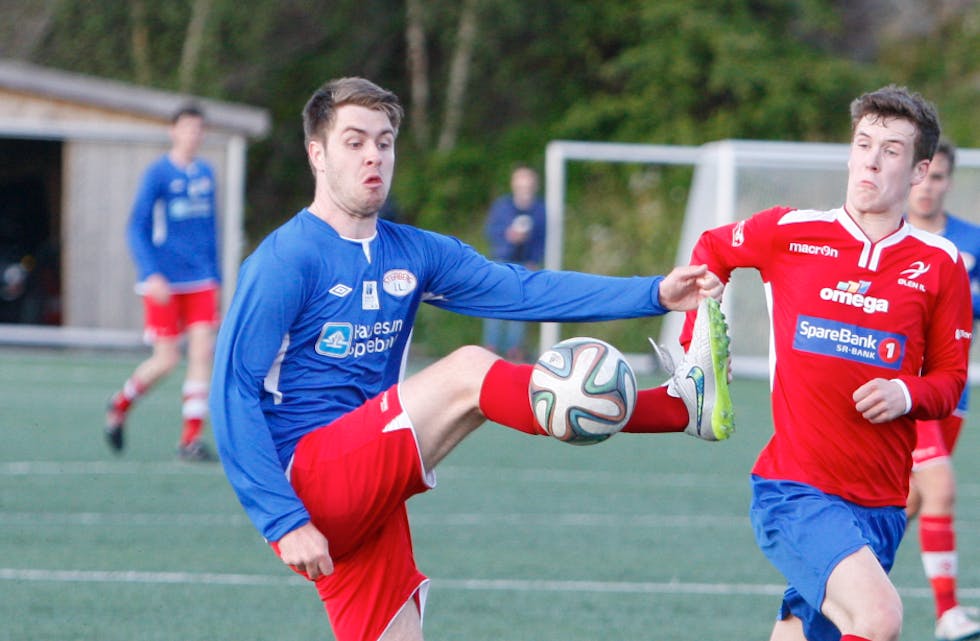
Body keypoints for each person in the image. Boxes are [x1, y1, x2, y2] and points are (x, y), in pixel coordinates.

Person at [209, 76, 735, 641]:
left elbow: (524, 291)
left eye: (385, 142)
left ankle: (683, 407)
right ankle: (677, 409)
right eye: (355, 142)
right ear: (317, 153)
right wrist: (283, 521)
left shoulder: (413, 251)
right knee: (467, 371)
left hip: (371, 483)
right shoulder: (286, 259)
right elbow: (232, 392)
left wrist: (654, 294)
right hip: (310, 478)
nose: (374, 157)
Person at [681, 85, 973, 641]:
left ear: (919, 171)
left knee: (806, 632)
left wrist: (905, 394)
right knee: (879, 617)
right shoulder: (791, 232)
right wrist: (699, 353)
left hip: (883, 504)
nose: (871, 157)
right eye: (864, 143)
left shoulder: (941, 266)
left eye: (891, 149)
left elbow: (949, 380)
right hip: (796, 490)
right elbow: (712, 251)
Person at [104, 104, 221, 463]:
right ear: (174, 131)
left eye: (198, 129)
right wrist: (150, 273)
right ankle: (120, 404)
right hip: (165, 283)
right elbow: (135, 227)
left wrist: (218, 277)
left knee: (203, 354)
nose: (193, 135)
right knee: (167, 360)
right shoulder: (158, 173)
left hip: (201, 280)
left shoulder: (206, 174)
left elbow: (210, 230)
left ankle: (190, 440)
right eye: (187, 128)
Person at [904, 139, 980, 641]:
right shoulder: (891, 237)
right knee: (942, 487)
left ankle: (821, 597)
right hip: (906, 391)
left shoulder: (971, 241)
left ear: (948, 180)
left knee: (899, 504)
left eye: (937, 177)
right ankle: (949, 615)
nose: (927, 187)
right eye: (921, 176)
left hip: (954, 394)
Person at [483, 164, 547, 361]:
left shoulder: (539, 209)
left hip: (524, 265)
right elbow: (491, 231)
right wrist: (507, 237)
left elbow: (541, 238)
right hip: (501, 261)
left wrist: (534, 261)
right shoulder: (503, 206)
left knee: (519, 309)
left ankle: (514, 352)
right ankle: (490, 351)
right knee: (495, 307)